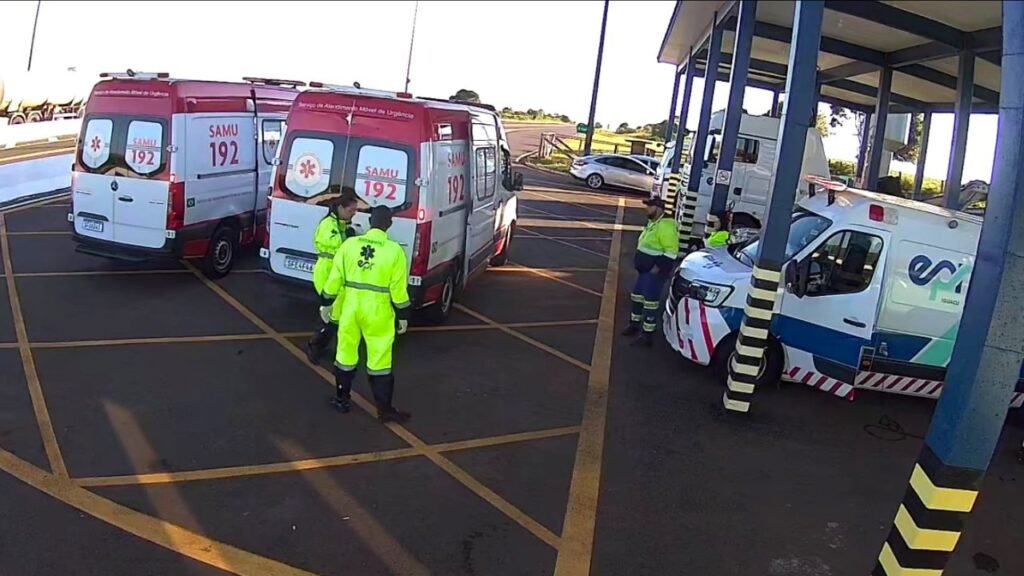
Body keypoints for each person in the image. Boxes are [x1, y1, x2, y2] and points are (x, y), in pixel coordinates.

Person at [321, 205, 412, 422]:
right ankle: (384, 409)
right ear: (388, 225)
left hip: (350, 308)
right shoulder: (394, 251)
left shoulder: (350, 245)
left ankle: (342, 399)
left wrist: (326, 302)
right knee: (380, 360)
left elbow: (335, 279)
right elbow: (398, 291)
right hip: (378, 312)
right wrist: (404, 316)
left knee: (345, 355)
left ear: (370, 222)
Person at [306, 193, 359, 364]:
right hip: (327, 273)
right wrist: (350, 240)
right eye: (351, 210)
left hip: (336, 274)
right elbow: (336, 244)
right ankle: (315, 346)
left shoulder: (341, 224)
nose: (354, 213)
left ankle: (321, 345)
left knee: (335, 315)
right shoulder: (328, 224)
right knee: (329, 316)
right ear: (340, 208)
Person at [622, 197, 680, 347]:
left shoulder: (666, 226)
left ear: (659, 208)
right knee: (637, 297)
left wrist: (657, 268)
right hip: (644, 271)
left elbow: (671, 252)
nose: (646, 209)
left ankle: (647, 335)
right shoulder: (653, 222)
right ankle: (634, 325)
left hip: (653, 273)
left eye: (649, 206)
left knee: (650, 303)